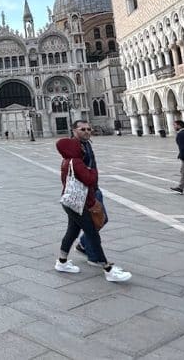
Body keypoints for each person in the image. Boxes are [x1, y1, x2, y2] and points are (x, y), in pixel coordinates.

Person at [55, 137, 132, 283]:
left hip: (70, 202)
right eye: (78, 146)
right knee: (92, 234)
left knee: (72, 232)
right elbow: (90, 179)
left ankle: (62, 262)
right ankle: (108, 269)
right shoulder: (76, 162)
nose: (82, 148)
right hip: (80, 204)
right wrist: (92, 171)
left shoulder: (66, 161)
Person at [70, 120, 104, 261]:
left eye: (89, 129)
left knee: (75, 228)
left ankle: (68, 255)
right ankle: (95, 258)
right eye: (82, 129)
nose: (87, 132)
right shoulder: (74, 147)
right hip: (84, 191)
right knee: (94, 223)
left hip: (93, 187)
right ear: (74, 131)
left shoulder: (87, 144)